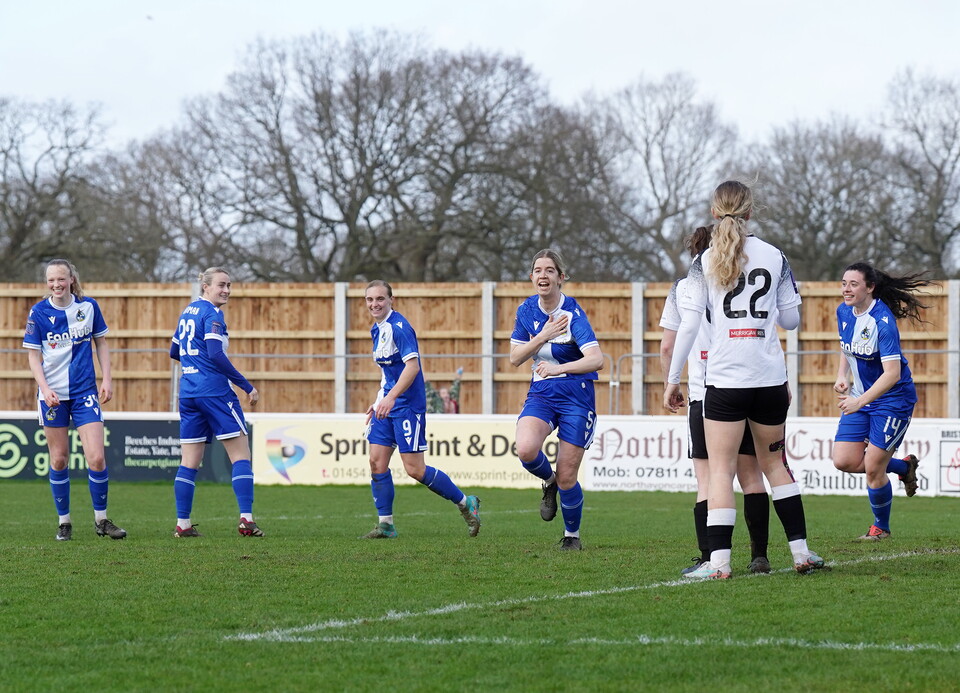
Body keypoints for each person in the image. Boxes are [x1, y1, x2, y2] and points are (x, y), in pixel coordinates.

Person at [664, 180, 825, 578]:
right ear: (751, 211)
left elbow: (687, 327)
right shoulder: (776, 256)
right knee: (775, 466)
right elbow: (791, 319)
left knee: (720, 471)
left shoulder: (704, 261)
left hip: (725, 380)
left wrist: (672, 379)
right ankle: (802, 554)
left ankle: (718, 564)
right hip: (769, 378)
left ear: (714, 213)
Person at [660, 227, 772, 575]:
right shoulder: (744, 279)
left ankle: (711, 557)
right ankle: (759, 556)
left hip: (707, 390)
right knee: (752, 476)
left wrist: (671, 381)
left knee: (709, 479)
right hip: (748, 382)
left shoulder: (684, 286)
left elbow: (668, 345)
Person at [361, 280, 480, 539]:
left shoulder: (399, 328)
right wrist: (379, 398)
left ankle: (465, 502)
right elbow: (388, 373)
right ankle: (386, 525)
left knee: (414, 469)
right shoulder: (376, 329)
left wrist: (391, 398)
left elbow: (412, 367)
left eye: (380, 298)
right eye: (370, 300)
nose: (374, 304)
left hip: (407, 406)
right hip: (389, 402)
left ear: (391, 300)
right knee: (376, 462)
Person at [23, 259, 127, 542]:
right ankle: (64, 522)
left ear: (71, 279)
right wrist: (44, 389)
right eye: (50, 280)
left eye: (60, 279)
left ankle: (102, 520)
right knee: (58, 459)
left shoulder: (88, 307)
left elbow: (101, 343)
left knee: (96, 457)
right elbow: (33, 356)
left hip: (84, 393)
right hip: (53, 395)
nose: (56, 285)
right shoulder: (39, 312)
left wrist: (107, 379)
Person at [831, 262, 933, 540]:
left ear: (870, 287)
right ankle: (903, 466)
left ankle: (881, 528)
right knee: (843, 461)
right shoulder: (843, 311)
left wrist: (859, 402)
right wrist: (843, 375)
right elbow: (846, 345)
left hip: (893, 400)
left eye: (853, 284)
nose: (846, 289)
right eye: (843, 283)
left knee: (874, 468)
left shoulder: (883, 322)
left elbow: (891, 375)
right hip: (861, 397)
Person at [510, 249, 604, 551]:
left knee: (568, 475)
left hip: (577, 396)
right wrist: (542, 336)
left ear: (561, 278)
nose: (543, 275)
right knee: (525, 449)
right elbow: (514, 358)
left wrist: (558, 368)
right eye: (538, 270)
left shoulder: (573, 314)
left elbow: (597, 359)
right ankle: (548, 482)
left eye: (550, 270)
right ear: (531, 277)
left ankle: (572, 536)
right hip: (542, 393)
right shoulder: (526, 311)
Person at [170, 267, 262, 538]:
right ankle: (246, 519)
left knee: (189, 462)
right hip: (215, 393)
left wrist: (193, 366)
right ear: (206, 287)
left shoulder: (188, 311)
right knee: (241, 456)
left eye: (229, 285)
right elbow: (215, 354)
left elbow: (174, 351)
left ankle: (182, 524)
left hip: (188, 393)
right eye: (221, 285)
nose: (226, 290)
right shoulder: (213, 314)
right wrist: (246, 385)